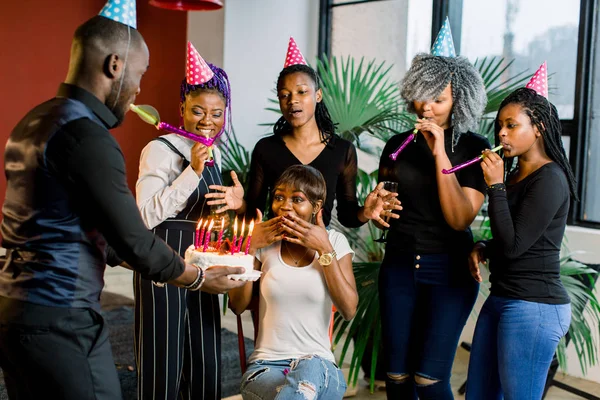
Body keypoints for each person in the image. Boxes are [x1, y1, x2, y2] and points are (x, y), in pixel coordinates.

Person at [0, 5, 244, 400]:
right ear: (115, 64)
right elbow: (134, 235)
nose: (139, 89)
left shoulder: (34, 121)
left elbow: (103, 236)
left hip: (14, 309)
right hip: (63, 316)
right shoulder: (89, 137)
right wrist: (198, 277)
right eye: (140, 74)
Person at [376, 19, 490, 399]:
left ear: (459, 99)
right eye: (422, 96)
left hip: (450, 271)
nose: (427, 106)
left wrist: (440, 150)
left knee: (429, 378)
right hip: (399, 265)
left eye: (438, 99)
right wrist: (377, 208)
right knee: (396, 376)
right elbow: (384, 204)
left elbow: (460, 218)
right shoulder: (397, 144)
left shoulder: (474, 147)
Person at [206, 37, 399, 229]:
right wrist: (240, 205)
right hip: (276, 250)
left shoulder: (342, 150)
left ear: (318, 95)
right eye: (284, 95)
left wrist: (365, 213)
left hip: (319, 252)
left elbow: (347, 216)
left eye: (302, 92)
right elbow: (253, 215)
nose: (292, 101)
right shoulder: (266, 149)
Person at [134, 42, 232, 400]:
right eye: (197, 111)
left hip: (204, 262)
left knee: (205, 356)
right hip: (163, 260)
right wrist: (191, 170)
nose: (208, 121)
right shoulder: (160, 149)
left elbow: (208, 213)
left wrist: (229, 208)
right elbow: (145, 215)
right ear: (181, 110)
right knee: (163, 358)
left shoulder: (215, 152)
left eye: (217, 113)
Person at [466, 81, 575, 399]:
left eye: (512, 125)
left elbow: (515, 247)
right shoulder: (513, 176)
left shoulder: (551, 178)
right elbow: (509, 235)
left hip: (534, 306)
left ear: (538, 128)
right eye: (500, 125)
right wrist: (483, 246)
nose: (501, 134)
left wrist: (495, 187)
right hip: (501, 298)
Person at [229, 165, 356, 400]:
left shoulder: (335, 242)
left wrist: (324, 249)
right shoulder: (262, 242)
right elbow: (237, 305)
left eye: (297, 199)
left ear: (316, 207)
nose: (285, 206)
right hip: (266, 368)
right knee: (300, 393)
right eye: (279, 197)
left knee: (310, 368)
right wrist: (250, 247)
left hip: (320, 367)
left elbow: (348, 309)